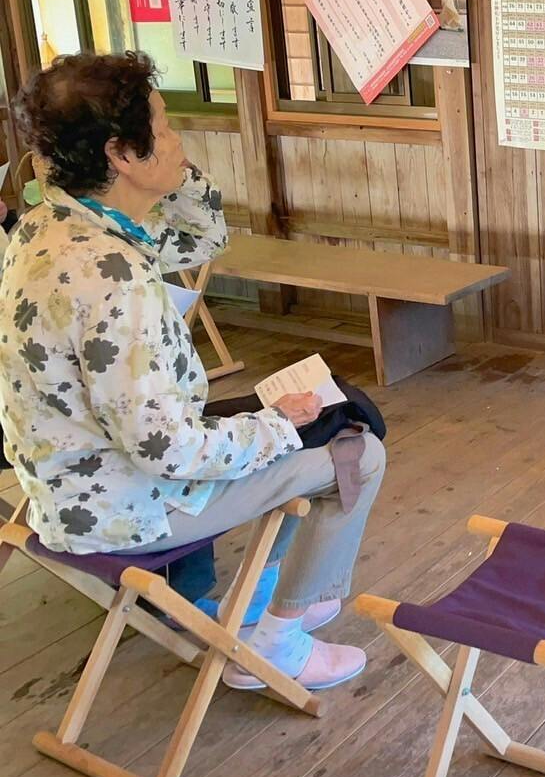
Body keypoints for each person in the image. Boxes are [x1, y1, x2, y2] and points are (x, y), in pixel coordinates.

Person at [1, 52, 384, 691]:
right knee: (356, 449)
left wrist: (165, 171)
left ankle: (263, 602)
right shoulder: (113, 275)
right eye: (164, 127)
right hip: (126, 509)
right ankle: (277, 641)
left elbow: (204, 238)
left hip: (62, 491)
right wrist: (278, 426)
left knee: (327, 413)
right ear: (121, 153)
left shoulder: (49, 224)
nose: (178, 140)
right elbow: (166, 450)